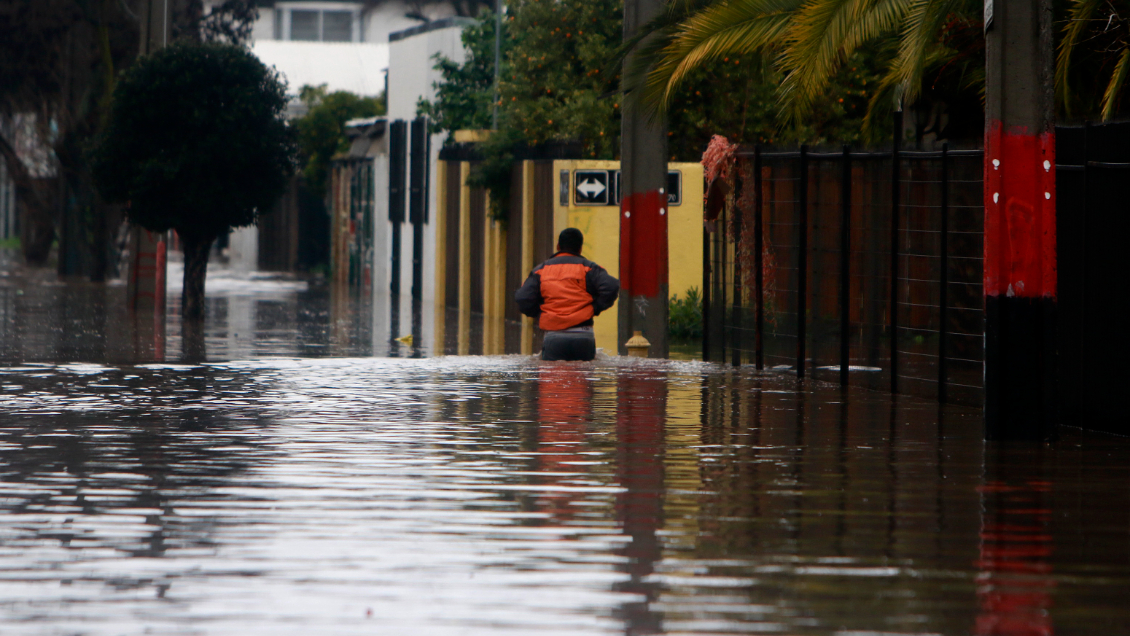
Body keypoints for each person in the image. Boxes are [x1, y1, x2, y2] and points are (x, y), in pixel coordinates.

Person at [515, 228, 619, 361]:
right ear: (580, 248)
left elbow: (523, 298)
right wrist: (594, 308)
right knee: (583, 378)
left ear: (558, 246)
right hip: (584, 336)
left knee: (553, 380)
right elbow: (611, 286)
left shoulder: (541, 270)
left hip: (554, 338)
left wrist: (541, 314)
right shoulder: (588, 268)